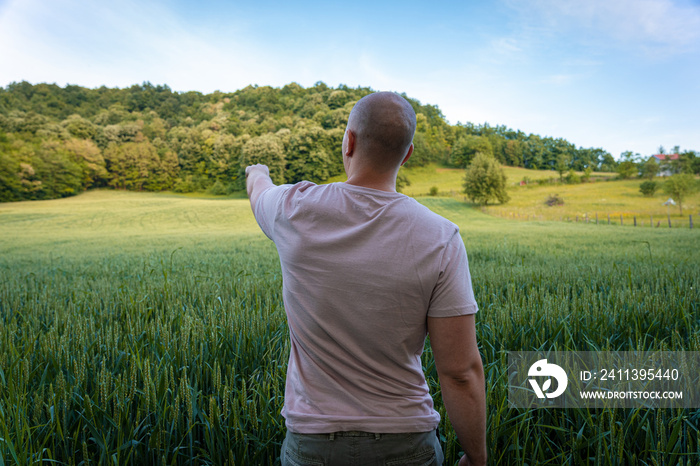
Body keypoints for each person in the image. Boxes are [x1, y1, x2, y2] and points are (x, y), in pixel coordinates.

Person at [246, 91, 486, 466]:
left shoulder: (293, 208)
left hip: (313, 444)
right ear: (406, 155)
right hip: (407, 443)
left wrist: (257, 172)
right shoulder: (441, 237)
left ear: (349, 141)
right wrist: (477, 456)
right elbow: (459, 372)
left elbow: (259, 192)